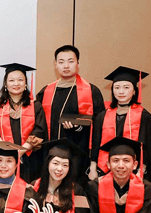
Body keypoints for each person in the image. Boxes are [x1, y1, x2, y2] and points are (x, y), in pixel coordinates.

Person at [36, 45, 105, 184]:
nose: (66, 66)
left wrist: (79, 128)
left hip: (79, 154)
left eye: (70, 61)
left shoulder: (91, 92)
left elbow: (99, 126)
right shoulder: (46, 92)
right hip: (50, 154)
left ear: (78, 63)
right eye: (61, 62)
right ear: (55, 65)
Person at [90, 66, 151, 184]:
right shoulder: (102, 116)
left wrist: (141, 171)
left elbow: (149, 148)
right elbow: (95, 144)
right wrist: (92, 168)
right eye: (117, 87)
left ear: (134, 91)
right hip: (105, 171)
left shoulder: (144, 117)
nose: (121, 91)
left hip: (135, 174)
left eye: (126, 87)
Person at [0, 63, 47, 182]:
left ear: (25, 83)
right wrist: (10, 152)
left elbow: (40, 131)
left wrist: (21, 151)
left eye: (20, 80)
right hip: (3, 160)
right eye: (11, 80)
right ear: (5, 84)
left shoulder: (36, 106)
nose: (16, 84)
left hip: (29, 159)